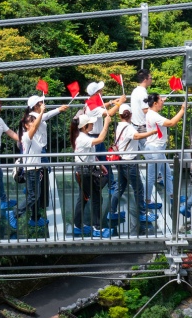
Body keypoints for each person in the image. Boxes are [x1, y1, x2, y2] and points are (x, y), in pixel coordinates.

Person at [107, 103, 155, 235]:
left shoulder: (119, 126)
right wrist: (151, 132)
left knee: (120, 187)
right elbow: (137, 136)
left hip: (121, 160)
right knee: (138, 188)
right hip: (129, 162)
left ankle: (111, 212)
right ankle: (142, 213)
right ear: (130, 115)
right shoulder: (128, 128)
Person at [71, 106, 115, 238]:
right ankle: (97, 228)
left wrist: (99, 164)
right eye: (91, 123)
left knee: (83, 199)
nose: (93, 124)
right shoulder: (83, 138)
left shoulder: (83, 136)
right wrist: (106, 123)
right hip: (85, 172)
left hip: (84, 171)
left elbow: (89, 153)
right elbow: (100, 139)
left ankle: (78, 226)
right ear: (85, 126)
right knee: (96, 199)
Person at [142, 93, 184, 215]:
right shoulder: (154, 115)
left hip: (157, 148)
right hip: (155, 150)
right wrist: (182, 110)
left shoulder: (150, 112)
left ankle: (172, 196)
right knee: (151, 177)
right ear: (155, 103)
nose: (163, 101)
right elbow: (171, 123)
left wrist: (161, 101)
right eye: (160, 100)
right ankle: (147, 201)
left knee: (166, 173)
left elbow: (156, 106)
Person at [18, 100, 49, 228]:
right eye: (31, 122)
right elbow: (35, 126)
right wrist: (41, 111)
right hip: (31, 170)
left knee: (35, 196)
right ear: (26, 125)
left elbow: (37, 128)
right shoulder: (27, 136)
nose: (34, 125)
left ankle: (34, 218)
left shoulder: (33, 137)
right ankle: (15, 214)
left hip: (36, 169)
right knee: (32, 197)